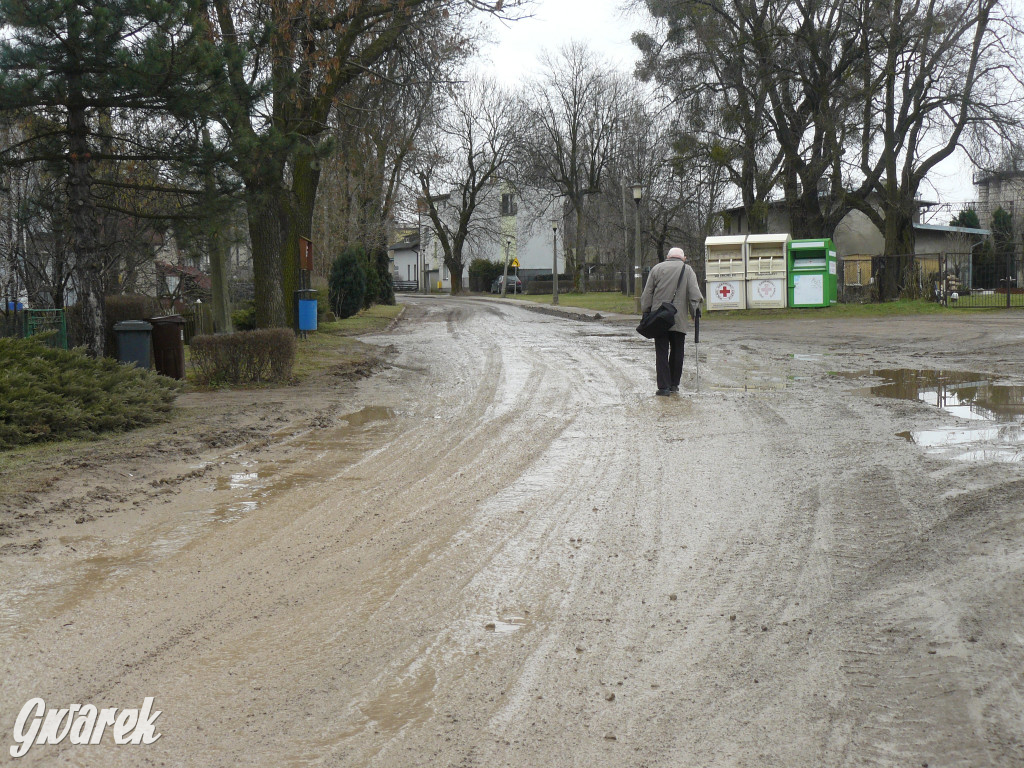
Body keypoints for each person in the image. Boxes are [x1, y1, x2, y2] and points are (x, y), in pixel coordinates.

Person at [639, 247, 704, 396]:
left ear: (668, 257)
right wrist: (695, 312)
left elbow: (648, 292)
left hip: (659, 317)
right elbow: (694, 294)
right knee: (677, 350)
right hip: (678, 317)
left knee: (661, 351)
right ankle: (674, 384)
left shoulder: (656, 269)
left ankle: (663, 387)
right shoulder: (687, 270)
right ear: (684, 258)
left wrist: (646, 311)